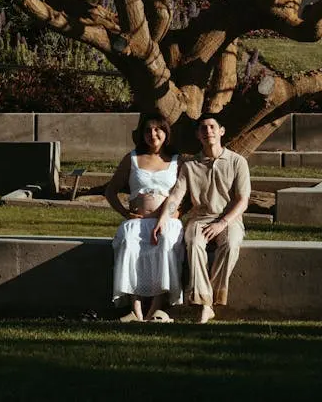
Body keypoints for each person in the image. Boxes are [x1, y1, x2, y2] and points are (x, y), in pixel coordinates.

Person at [154, 113, 250, 324]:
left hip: (229, 219)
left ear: (221, 131)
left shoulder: (237, 162)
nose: (208, 132)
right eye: (203, 128)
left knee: (231, 244)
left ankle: (210, 299)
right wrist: (163, 218)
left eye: (212, 127)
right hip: (199, 219)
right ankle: (206, 305)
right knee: (194, 243)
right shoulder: (189, 166)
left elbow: (243, 200)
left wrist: (222, 223)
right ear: (198, 135)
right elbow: (175, 196)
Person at [104, 114, 184, 322]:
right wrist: (125, 213)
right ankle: (136, 310)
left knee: (165, 241)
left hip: (166, 221)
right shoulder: (132, 158)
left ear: (166, 133)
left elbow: (187, 195)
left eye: (158, 129)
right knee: (129, 241)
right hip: (137, 221)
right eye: (148, 130)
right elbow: (110, 191)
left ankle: (156, 309)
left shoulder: (177, 160)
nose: (152, 134)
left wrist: (176, 213)